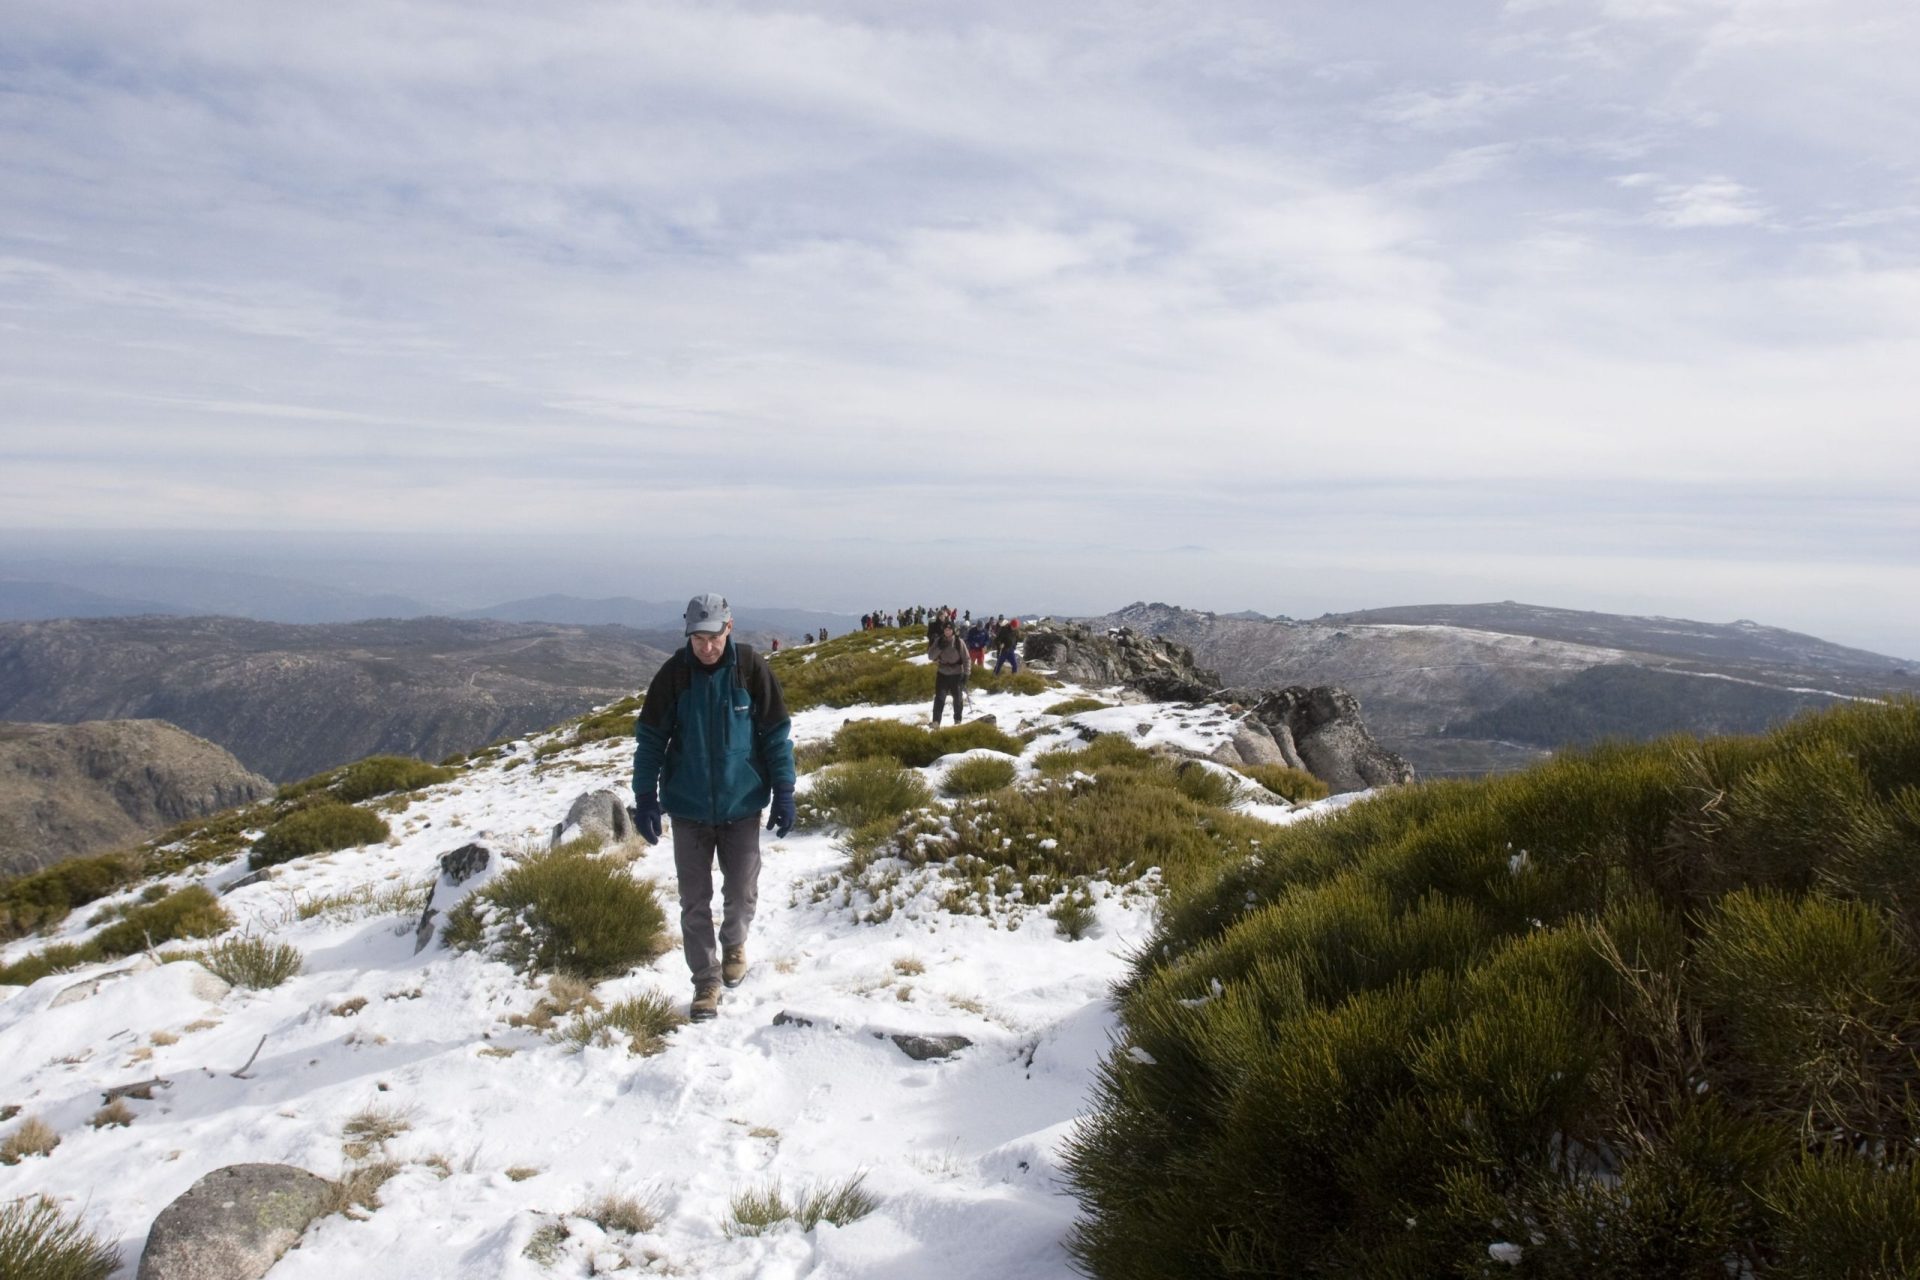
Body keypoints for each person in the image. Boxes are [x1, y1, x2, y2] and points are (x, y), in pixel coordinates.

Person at [631, 593, 796, 1023]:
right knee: (694, 901)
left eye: (714, 636)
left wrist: (784, 790)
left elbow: (776, 734)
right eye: (697, 638)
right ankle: (705, 981)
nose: (706, 646)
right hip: (688, 809)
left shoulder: (749, 668)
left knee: (741, 892)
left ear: (729, 627)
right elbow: (649, 741)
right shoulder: (674, 676)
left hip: (741, 803)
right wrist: (645, 797)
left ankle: (735, 943)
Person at [929, 617, 970, 727]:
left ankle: (957, 721)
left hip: (956, 674)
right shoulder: (939, 641)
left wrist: (966, 674)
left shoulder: (958, 642)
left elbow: (966, 658)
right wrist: (939, 648)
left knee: (958, 699)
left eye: (949, 629)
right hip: (942, 673)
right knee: (939, 698)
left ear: (953, 630)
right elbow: (930, 656)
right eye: (945, 629)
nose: (947, 631)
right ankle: (936, 722)